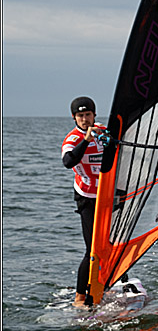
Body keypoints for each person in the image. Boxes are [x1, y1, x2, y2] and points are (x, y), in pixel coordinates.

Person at [61, 96, 106, 307]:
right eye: (80, 116)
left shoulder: (104, 132)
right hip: (87, 197)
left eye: (88, 115)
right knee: (92, 249)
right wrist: (86, 140)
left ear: (94, 115)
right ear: (74, 118)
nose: (85, 119)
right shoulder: (72, 139)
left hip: (108, 194)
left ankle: (117, 281)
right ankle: (79, 296)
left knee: (114, 241)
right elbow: (68, 162)